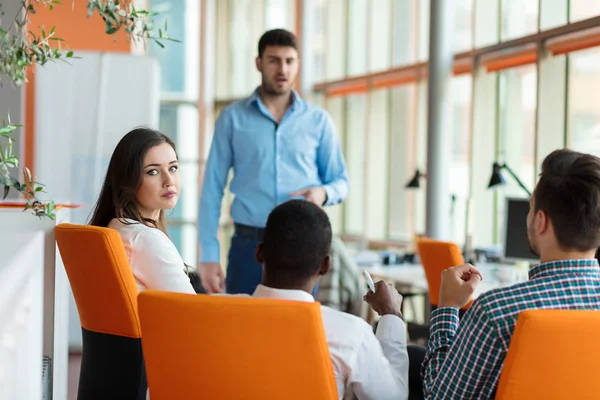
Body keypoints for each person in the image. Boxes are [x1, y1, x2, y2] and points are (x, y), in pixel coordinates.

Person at [421, 149, 600, 399]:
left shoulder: (496, 312)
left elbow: (439, 397)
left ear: (541, 221)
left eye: (530, 208)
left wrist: (447, 308)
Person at [198, 28, 349, 295]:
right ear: (259, 63)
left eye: (290, 61)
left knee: (295, 333)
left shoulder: (319, 121)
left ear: (298, 65)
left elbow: (341, 182)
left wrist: (322, 193)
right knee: (240, 331)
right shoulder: (232, 119)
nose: (283, 69)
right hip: (248, 246)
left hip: (303, 249)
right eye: (274, 60)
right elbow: (212, 189)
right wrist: (209, 255)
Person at [247, 199, 408, 400]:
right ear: (325, 266)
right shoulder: (350, 333)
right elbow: (392, 398)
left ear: (259, 252)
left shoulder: (214, 317)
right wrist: (391, 314)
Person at [89, 128, 195, 295]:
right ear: (127, 182)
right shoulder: (144, 238)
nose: (169, 181)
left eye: (173, 168)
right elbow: (191, 309)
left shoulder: (118, 227)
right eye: (153, 171)